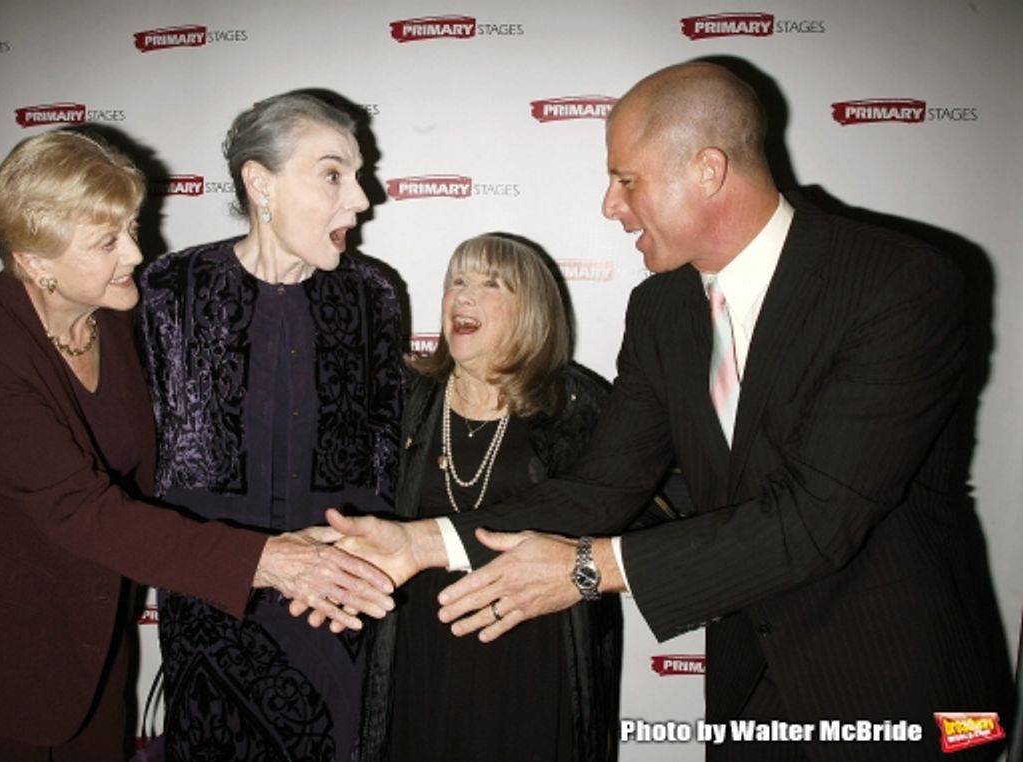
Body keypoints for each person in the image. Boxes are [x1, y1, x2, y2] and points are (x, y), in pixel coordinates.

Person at [327, 62, 1011, 761]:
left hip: (904, 692)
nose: (610, 205)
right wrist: (424, 543)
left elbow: (815, 521)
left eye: (627, 180)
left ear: (707, 171)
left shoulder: (897, 282)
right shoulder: (660, 308)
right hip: (751, 694)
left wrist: (586, 570)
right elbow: (606, 487)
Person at [0, 129, 395, 762]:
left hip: (95, 632)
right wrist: (267, 560)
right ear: (34, 262)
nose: (135, 254)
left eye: (131, 228)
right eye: (106, 243)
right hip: (3, 641)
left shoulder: (116, 314)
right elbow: (82, 510)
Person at [138, 92, 405, 762]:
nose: (361, 200)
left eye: (359, 173)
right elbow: (146, 449)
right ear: (260, 183)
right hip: (212, 595)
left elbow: (383, 454)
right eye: (333, 174)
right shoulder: (171, 288)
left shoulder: (374, 294)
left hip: (333, 598)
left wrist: (357, 564)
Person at [356, 234, 628, 761]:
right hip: (421, 652)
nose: (464, 295)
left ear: (531, 310)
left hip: (535, 656)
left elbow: (629, 516)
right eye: (456, 280)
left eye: (489, 283)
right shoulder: (404, 397)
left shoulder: (577, 406)